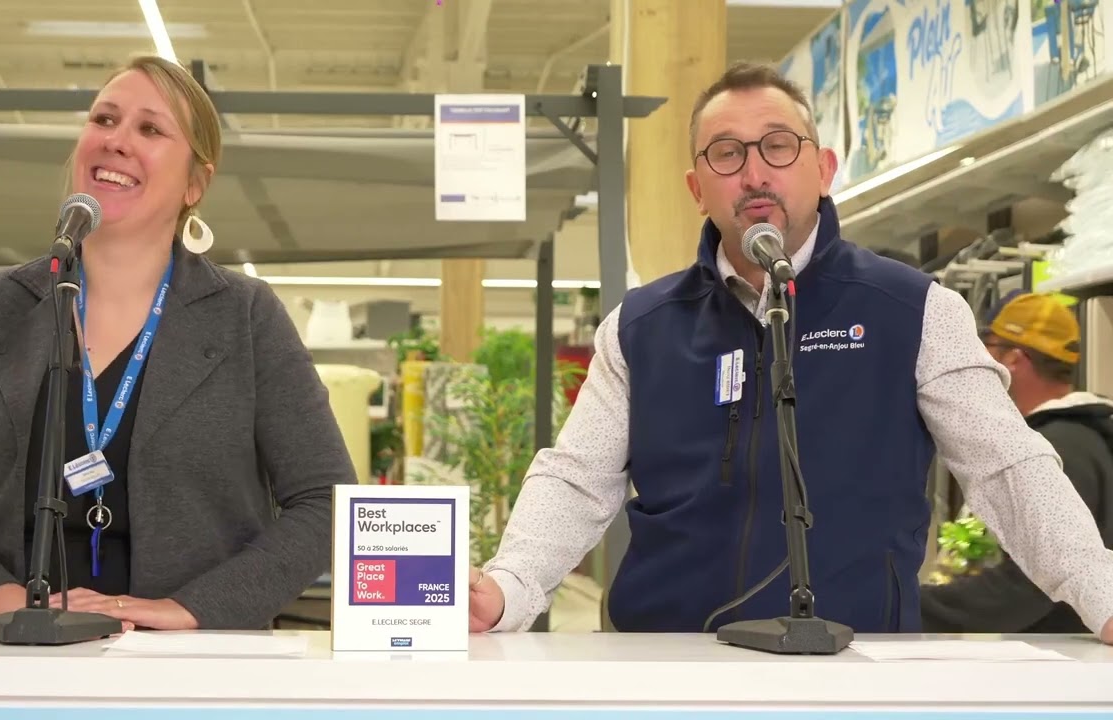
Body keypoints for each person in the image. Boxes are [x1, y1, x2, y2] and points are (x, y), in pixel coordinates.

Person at [467, 62, 1113, 643]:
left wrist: (1102, 595)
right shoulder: (641, 326)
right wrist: (510, 586)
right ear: (697, 187)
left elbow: (1009, 469)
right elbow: (576, 479)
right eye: (726, 154)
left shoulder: (913, 310)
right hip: (668, 665)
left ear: (824, 169)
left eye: (777, 146)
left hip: (855, 664)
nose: (753, 172)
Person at [0, 55, 354, 631]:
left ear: (194, 183)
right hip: (6, 655)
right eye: (104, 119)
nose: (117, 141)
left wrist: (188, 610)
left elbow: (327, 503)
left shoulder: (245, 317)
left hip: (184, 666)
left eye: (150, 129)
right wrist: (1, 600)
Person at [922, 292, 1113, 633]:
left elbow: (1024, 590)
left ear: (1014, 358)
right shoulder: (1091, 436)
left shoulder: (1057, 450)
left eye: (989, 347)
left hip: (1058, 662)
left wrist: (909, 607)